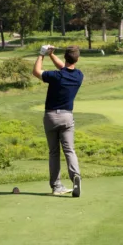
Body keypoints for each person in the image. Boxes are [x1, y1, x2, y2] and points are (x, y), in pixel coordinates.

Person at [33, 45, 85, 197]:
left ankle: (56, 186)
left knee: (54, 152)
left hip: (50, 117)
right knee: (69, 150)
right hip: (67, 117)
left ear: (65, 57)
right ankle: (76, 176)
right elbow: (66, 67)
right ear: (78, 58)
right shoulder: (78, 76)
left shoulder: (56, 76)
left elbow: (36, 72)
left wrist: (42, 54)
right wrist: (51, 55)